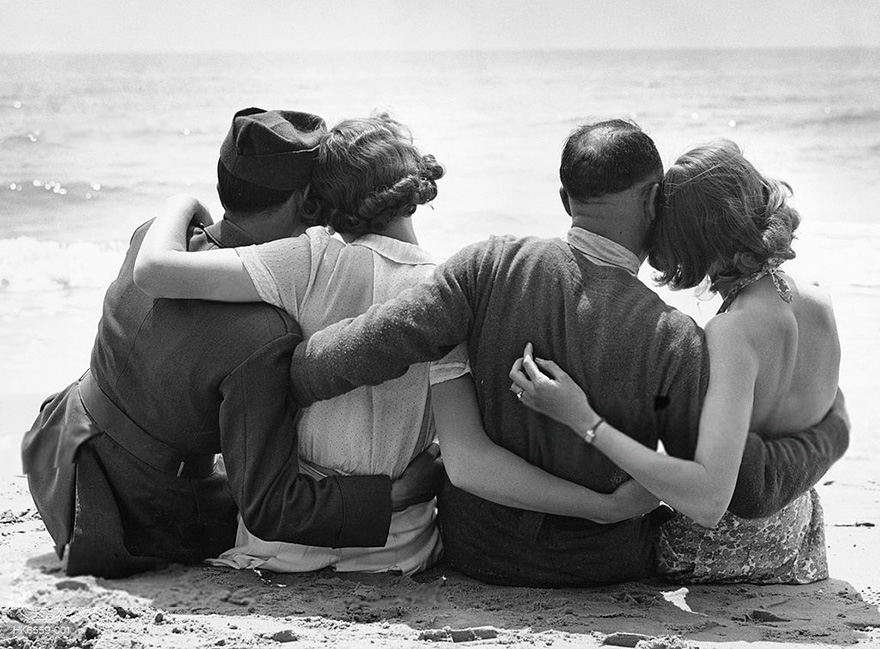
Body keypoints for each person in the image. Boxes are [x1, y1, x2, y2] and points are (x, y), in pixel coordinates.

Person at [280, 119, 850, 587]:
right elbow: (707, 485)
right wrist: (831, 433)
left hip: (480, 553)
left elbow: (376, 341)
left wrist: (289, 373)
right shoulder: (677, 336)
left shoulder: (488, 265)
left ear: (563, 198)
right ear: (654, 202)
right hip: (603, 566)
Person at [21, 107, 440, 578]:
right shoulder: (264, 334)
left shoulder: (154, 237)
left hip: (55, 450)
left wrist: (181, 202)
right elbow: (272, 507)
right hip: (117, 522)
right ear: (309, 204)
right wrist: (396, 496)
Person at [510, 139, 839, 584]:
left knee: (594, 539)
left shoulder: (732, 331)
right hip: (798, 528)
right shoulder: (817, 299)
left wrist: (582, 418)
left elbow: (708, 503)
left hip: (733, 548)